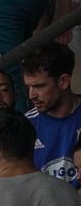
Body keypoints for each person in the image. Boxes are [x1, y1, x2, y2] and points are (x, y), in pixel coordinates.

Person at [21, 44, 81, 186]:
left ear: (63, 81)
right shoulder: (24, 126)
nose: (31, 95)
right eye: (28, 87)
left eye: (39, 86)